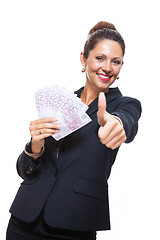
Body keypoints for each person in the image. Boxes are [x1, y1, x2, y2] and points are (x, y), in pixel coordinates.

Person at [6, 21, 142, 240]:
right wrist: (34, 146)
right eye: (100, 58)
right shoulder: (60, 102)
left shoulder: (125, 105)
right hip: (24, 220)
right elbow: (24, 170)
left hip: (75, 225)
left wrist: (118, 124)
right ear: (83, 59)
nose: (107, 67)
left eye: (115, 61)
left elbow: (128, 121)